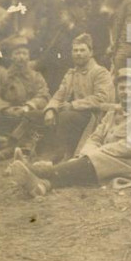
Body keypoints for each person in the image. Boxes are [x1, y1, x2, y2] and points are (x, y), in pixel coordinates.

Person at [10, 68, 131, 198]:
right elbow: (95, 137)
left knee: (91, 160)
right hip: (106, 158)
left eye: (130, 88)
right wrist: (87, 152)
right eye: (121, 88)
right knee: (86, 162)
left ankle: (33, 169)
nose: (125, 92)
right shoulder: (113, 113)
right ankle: (43, 185)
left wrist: (96, 152)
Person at [15, 33, 114, 164]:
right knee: (31, 116)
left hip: (93, 116)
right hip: (70, 112)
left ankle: (63, 155)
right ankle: (25, 154)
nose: (78, 53)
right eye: (75, 50)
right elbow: (58, 95)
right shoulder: (71, 73)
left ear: (91, 53)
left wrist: (73, 105)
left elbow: (101, 98)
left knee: (66, 117)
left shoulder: (100, 72)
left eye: (82, 50)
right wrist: (50, 109)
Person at [0, 36, 50, 160]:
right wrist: (5, 108)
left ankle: (7, 150)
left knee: (36, 116)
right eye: (17, 53)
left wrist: (28, 106)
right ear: (11, 56)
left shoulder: (36, 76)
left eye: (24, 53)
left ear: (29, 57)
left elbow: (44, 95)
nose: (21, 57)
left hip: (26, 117)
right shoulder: (1, 74)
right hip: (8, 114)